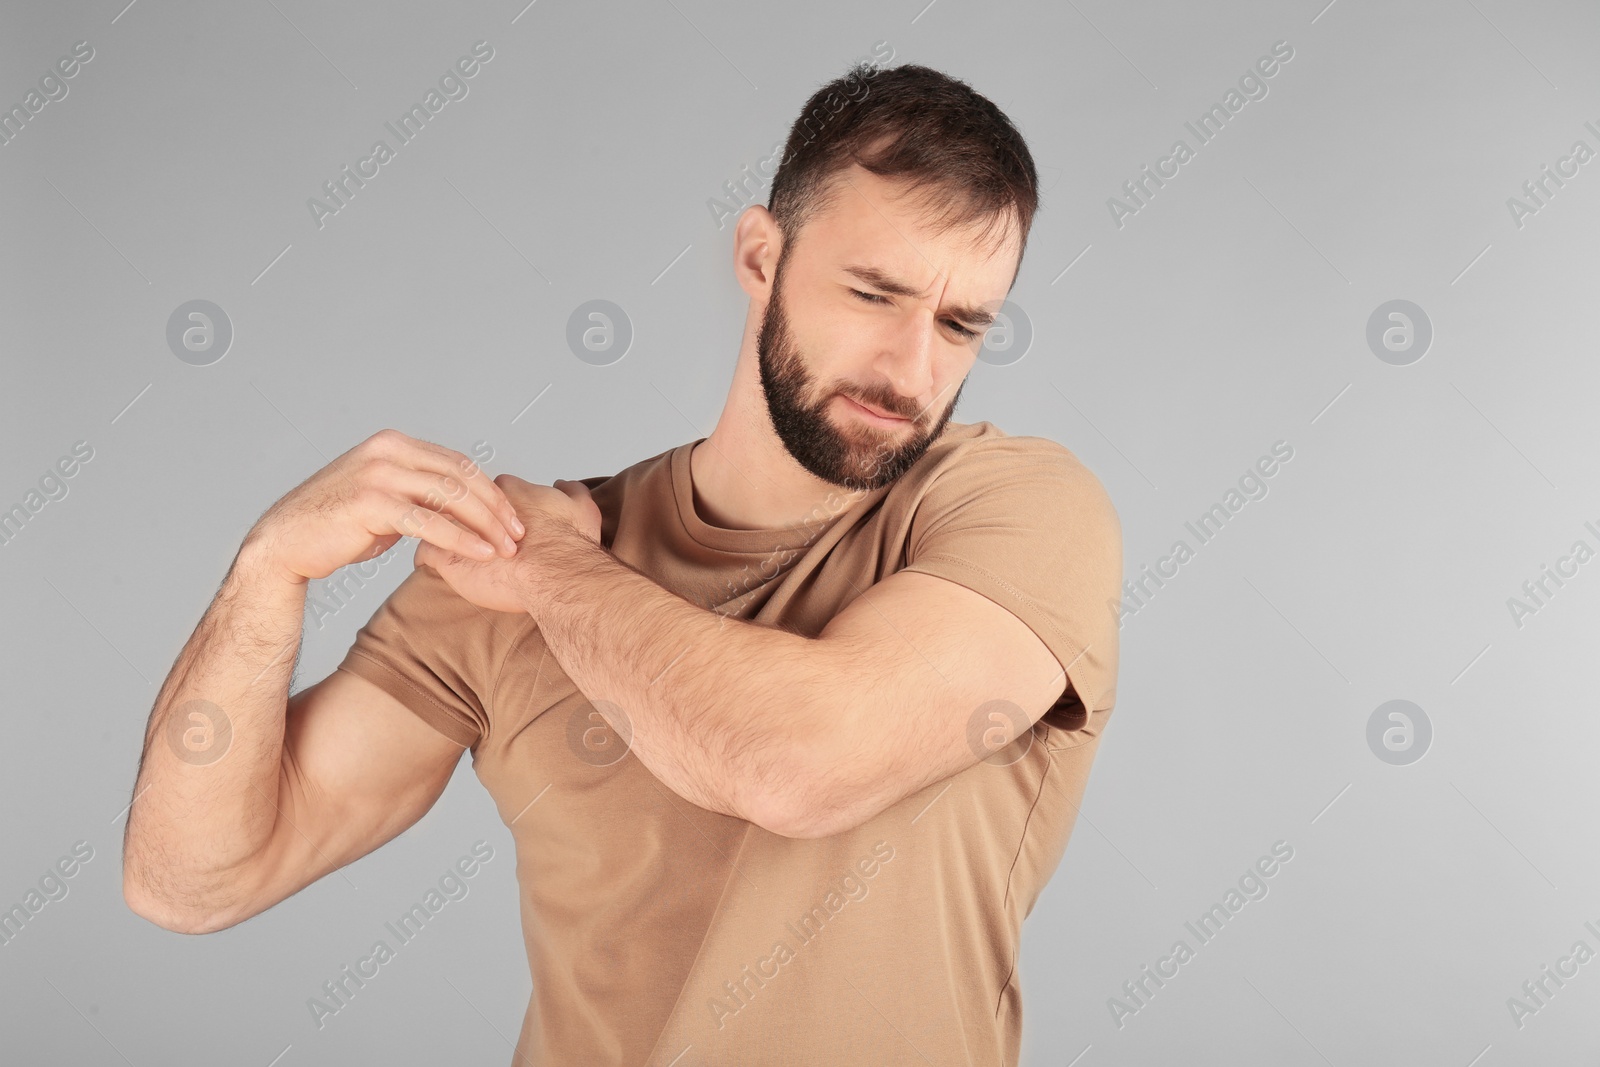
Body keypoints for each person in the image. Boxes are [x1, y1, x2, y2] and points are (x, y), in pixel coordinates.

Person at [122, 60, 1123, 1066]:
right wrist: (263, 576)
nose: (914, 369)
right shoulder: (504, 557)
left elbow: (792, 766)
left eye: (959, 325)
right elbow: (190, 881)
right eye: (873, 293)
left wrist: (552, 578)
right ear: (759, 256)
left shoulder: (1018, 510)